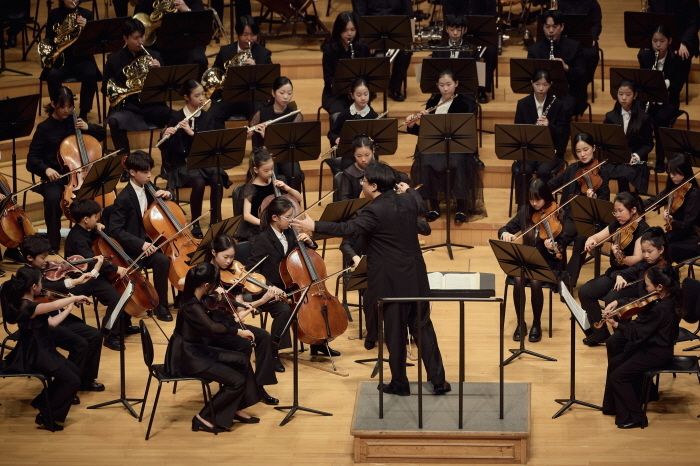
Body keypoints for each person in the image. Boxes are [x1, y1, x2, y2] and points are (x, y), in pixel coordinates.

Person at [291, 162, 450, 396]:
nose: (361, 183)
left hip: (391, 283)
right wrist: (408, 189)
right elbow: (419, 203)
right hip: (416, 277)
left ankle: (400, 383)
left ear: (374, 186)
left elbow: (348, 228)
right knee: (424, 329)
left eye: (364, 180)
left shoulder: (374, 210)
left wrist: (313, 225)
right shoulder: (408, 200)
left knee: (395, 334)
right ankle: (439, 381)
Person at [164, 262, 260, 433]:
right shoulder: (191, 305)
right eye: (214, 284)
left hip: (197, 350)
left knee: (243, 360)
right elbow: (212, 327)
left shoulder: (195, 297)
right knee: (237, 381)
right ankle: (203, 417)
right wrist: (238, 331)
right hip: (189, 357)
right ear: (206, 285)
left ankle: (235, 407)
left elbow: (211, 320)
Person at [247, 196, 340, 363]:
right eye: (288, 217)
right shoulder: (261, 240)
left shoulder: (291, 233)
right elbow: (253, 272)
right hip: (270, 290)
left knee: (314, 305)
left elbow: (305, 255)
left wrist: (309, 242)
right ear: (275, 218)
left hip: (292, 286)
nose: (292, 220)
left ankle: (318, 343)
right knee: (284, 310)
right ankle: (272, 352)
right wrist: (270, 287)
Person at [0, 266, 89, 431]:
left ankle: (43, 402)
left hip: (44, 349)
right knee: (72, 380)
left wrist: (69, 308)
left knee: (74, 372)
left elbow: (51, 323)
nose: (42, 286)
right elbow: (54, 305)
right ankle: (48, 417)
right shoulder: (27, 306)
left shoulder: (31, 305)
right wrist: (75, 297)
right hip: (35, 353)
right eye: (41, 282)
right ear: (34, 286)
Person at [200, 234, 284, 401]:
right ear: (214, 253)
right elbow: (184, 282)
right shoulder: (204, 275)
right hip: (213, 329)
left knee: (264, 337)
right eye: (225, 257)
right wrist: (261, 301)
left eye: (232, 257)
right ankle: (244, 387)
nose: (229, 262)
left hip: (229, 323)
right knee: (245, 343)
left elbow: (238, 313)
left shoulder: (233, 278)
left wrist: (262, 299)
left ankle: (260, 386)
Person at [18, 234, 107, 390]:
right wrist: (74, 283)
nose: (46, 261)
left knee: (95, 336)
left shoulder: (39, 270)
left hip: (56, 316)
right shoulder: (25, 275)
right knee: (80, 344)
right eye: (42, 257)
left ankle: (85, 380)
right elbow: (47, 288)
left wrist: (69, 297)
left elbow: (48, 293)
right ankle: (66, 385)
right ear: (30, 258)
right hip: (43, 325)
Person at [26, 86, 106, 253]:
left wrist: (88, 127)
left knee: (98, 192)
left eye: (70, 107)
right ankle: (53, 243)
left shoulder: (75, 122)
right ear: (53, 104)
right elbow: (31, 160)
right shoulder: (44, 128)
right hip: (54, 177)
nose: (67, 110)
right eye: (63, 107)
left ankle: (95, 237)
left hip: (78, 174)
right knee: (53, 199)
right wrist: (46, 169)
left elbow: (102, 134)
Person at [601, 265, 682, 429]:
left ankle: (637, 417)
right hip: (651, 344)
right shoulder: (665, 298)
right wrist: (620, 305)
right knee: (616, 363)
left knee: (618, 377)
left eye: (647, 285)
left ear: (660, 287)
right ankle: (617, 408)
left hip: (656, 352)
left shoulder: (661, 309)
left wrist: (616, 324)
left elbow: (637, 334)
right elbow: (641, 317)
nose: (645, 288)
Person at [407, 69, 485, 224]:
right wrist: (412, 125)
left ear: (456, 84)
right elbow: (425, 134)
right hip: (436, 148)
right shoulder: (432, 102)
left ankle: (461, 208)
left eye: (449, 84)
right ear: (437, 85)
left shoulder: (464, 103)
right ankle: (433, 206)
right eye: (442, 85)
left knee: (459, 162)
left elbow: (466, 131)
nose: (445, 88)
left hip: (457, 147)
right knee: (424, 160)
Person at [547, 132, 622, 287]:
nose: (582, 154)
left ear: (593, 148)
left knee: (580, 242)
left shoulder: (602, 171)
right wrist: (541, 189)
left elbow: (605, 201)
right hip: (569, 216)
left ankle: (568, 282)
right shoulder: (571, 170)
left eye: (586, 149)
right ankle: (559, 275)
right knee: (558, 239)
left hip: (591, 221)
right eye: (579, 151)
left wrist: (594, 198)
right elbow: (552, 184)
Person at [107, 150, 173, 322]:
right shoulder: (123, 198)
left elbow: (165, 198)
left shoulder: (149, 188)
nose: (149, 175)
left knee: (163, 261)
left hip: (150, 245)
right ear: (132, 172)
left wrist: (168, 194)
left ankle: (161, 305)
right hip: (132, 250)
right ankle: (150, 305)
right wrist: (140, 244)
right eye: (145, 172)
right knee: (161, 260)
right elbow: (115, 230)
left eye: (150, 171)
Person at [498, 179, 566, 342]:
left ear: (546, 197)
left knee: (535, 281)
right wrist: (505, 233)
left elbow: (562, 246)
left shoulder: (558, 212)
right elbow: (505, 228)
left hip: (547, 262)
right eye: (531, 199)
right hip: (526, 259)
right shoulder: (525, 211)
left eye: (538, 199)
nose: (534, 203)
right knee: (518, 279)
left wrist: (552, 247)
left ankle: (536, 323)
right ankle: (520, 323)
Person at [159, 79, 231, 234]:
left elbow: (210, 144)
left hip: (203, 161)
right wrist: (165, 134)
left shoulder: (207, 117)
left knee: (217, 178)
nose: (202, 98)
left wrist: (192, 133)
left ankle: (215, 220)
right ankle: (195, 223)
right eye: (197, 96)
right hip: (182, 163)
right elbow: (169, 149)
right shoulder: (177, 117)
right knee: (198, 182)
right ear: (187, 97)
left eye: (203, 94)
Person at [64, 200, 137, 351]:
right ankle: (109, 336)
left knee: (124, 288)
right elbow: (92, 262)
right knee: (116, 298)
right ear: (86, 219)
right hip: (82, 279)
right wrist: (116, 269)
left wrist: (96, 227)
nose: (98, 219)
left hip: (94, 274)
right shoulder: (77, 238)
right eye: (95, 217)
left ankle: (123, 325)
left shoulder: (85, 230)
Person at [579, 192, 650, 346]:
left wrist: (620, 257)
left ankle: (621, 337)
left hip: (633, 277)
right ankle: (600, 333)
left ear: (633, 210)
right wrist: (591, 239)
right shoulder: (617, 224)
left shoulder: (643, 230)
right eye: (615, 211)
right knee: (585, 292)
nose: (617, 215)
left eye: (620, 211)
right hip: (615, 273)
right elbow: (598, 236)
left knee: (611, 299)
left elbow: (637, 259)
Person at [104, 18, 174, 154]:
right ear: (125, 38)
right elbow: (106, 89)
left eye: (142, 37)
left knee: (176, 117)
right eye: (136, 38)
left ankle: (168, 160)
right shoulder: (113, 60)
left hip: (152, 106)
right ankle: (126, 160)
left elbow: (166, 86)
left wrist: (159, 72)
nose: (140, 41)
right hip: (128, 107)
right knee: (114, 121)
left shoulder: (155, 56)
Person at [512, 69, 570, 208]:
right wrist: (534, 128)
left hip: (550, 151)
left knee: (544, 171)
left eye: (545, 85)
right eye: (538, 84)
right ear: (532, 83)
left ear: (550, 85)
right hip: (529, 150)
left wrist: (549, 126)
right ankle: (524, 206)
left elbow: (563, 133)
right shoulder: (523, 104)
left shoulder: (557, 105)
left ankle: (544, 205)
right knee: (524, 169)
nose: (541, 88)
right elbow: (518, 131)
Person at [207, 15, 272, 127]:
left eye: (253, 35)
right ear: (238, 34)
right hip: (228, 96)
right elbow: (215, 73)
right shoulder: (225, 51)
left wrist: (256, 68)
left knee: (261, 114)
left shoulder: (263, 54)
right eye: (245, 35)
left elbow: (269, 80)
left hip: (253, 98)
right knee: (211, 116)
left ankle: (255, 139)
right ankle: (220, 138)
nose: (249, 38)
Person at [41, 0, 101, 121]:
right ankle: (58, 109)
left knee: (90, 73)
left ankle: (84, 112)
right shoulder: (54, 14)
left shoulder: (87, 14)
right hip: (60, 59)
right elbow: (48, 39)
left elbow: (93, 41)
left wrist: (87, 27)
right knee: (52, 75)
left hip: (82, 58)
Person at [638, 25, 686, 171]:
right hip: (649, 99)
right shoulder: (645, 56)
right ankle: (642, 158)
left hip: (668, 101)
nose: (658, 44)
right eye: (655, 41)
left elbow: (677, 87)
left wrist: (663, 84)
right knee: (640, 116)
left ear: (669, 41)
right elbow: (641, 81)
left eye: (662, 41)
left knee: (659, 119)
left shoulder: (677, 59)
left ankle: (660, 159)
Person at [248, 76, 304, 191]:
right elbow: (248, 135)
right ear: (273, 93)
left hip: (286, 154)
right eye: (282, 93)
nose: (286, 97)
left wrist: (268, 136)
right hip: (266, 155)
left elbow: (293, 140)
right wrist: (250, 131)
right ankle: (273, 201)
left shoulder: (295, 115)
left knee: (295, 173)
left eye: (289, 93)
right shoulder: (262, 113)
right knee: (271, 174)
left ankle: (294, 200)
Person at [527, 9, 587, 117]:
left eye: (554, 27)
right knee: (525, 105)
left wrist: (566, 67)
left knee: (564, 107)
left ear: (562, 27)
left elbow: (582, 74)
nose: (550, 31)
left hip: (567, 92)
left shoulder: (574, 47)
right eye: (547, 27)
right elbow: (530, 75)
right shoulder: (534, 50)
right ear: (543, 27)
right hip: (541, 92)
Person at [236, 147, 303, 241]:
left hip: (280, 225)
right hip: (260, 228)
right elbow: (246, 215)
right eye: (266, 171)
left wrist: (287, 188)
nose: (270, 173)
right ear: (256, 170)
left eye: (272, 169)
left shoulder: (277, 182)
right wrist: (265, 224)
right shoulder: (250, 188)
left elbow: (299, 198)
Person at [643, 153, 699, 263]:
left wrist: (672, 221)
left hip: (693, 238)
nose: (672, 176)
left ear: (684, 171)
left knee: (664, 249)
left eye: (675, 173)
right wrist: (637, 205)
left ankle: (664, 272)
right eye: (670, 173)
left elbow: (687, 225)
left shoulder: (694, 194)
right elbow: (657, 199)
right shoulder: (674, 187)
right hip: (676, 234)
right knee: (653, 241)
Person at [352, 0, 412, 101]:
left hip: (395, 32)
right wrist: (369, 39)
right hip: (371, 33)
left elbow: (408, 13)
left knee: (405, 51)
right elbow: (359, 16)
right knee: (362, 48)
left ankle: (394, 87)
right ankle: (368, 87)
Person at [431, 13, 497, 103]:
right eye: (452, 29)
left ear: (465, 30)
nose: (455, 33)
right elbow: (434, 74)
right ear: (446, 29)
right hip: (443, 91)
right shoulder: (438, 50)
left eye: (459, 30)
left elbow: (476, 76)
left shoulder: (472, 50)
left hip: (465, 92)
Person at [603, 80, 654, 194]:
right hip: (616, 159)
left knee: (627, 172)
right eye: (620, 94)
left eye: (628, 94)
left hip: (635, 159)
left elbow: (648, 144)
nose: (623, 98)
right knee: (605, 171)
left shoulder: (643, 118)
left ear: (635, 95)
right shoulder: (610, 117)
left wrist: (636, 156)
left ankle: (630, 198)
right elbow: (606, 141)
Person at [133, 0, 207, 75]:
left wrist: (187, 10)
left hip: (187, 45)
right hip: (157, 45)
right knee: (149, 63)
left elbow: (202, 23)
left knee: (199, 59)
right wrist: (157, 24)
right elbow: (136, 23)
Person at [321, 11, 370, 123]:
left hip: (358, 93)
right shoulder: (329, 49)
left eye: (352, 30)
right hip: (335, 94)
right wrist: (343, 87)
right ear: (339, 30)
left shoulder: (363, 47)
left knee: (364, 116)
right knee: (338, 117)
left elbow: (367, 74)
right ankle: (337, 134)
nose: (349, 34)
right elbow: (328, 79)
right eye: (345, 30)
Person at [326, 77, 379, 174]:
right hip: (349, 154)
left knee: (374, 170)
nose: (363, 98)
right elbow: (332, 133)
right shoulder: (345, 114)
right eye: (359, 95)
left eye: (366, 94)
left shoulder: (373, 115)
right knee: (348, 167)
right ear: (352, 95)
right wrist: (337, 139)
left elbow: (377, 138)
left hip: (368, 154)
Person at [336, 135, 376, 201]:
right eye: (359, 156)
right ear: (354, 154)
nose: (363, 159)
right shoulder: (348, 174)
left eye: (367, 155)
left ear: (373, 152)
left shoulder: (381, 168)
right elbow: (344, 200)